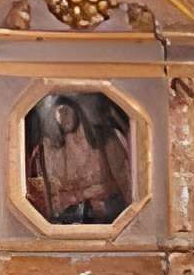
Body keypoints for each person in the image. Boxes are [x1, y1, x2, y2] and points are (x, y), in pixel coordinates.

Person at [26, 92, 132, 224]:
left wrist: (78, 196)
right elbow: (48, 200)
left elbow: (123, 185)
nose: (62, 115)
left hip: (107, 220)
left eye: (67, 110)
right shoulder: (46, 146)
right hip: (63, 223)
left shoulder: (104, 138)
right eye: (59, 111)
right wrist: (80, 196)